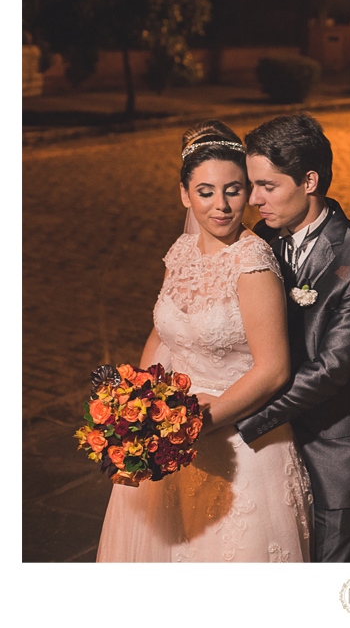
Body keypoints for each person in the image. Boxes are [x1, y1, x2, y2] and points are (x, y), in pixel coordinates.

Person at [96, 120, 313, 562]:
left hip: (239, 447)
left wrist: (197, 422)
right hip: (169, 435)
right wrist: (139, 403)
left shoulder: (252, 263)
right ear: (184, 194)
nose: (221, 206)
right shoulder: (182, 251)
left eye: (233, 190)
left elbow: (273, 370)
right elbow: (163, 330)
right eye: (206, 192)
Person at [235, 113, 350, 562]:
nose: (254, 200)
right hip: (272, 458)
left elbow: (331, 371)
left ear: (309, 180)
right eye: (252, 185)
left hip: (336, 456)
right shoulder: (261, 239)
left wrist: (242, 419)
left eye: (267, 186)